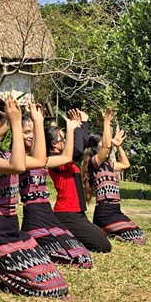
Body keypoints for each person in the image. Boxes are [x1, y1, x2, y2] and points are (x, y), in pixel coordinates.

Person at [0, 94, 69, 298]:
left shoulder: (1, 153)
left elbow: (40, 160)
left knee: (58, 284)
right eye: (5, 125)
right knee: (47, 289)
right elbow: (18, 166)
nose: (6, 131)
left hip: (13, 232)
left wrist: (38, 122)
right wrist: (16, 124)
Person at [20, 111, 94, 268]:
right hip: (35, 215)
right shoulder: (17, 159)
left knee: (84, 256)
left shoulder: (43, 160)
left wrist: (75, 127)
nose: (31, 136)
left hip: (47, 213)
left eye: (33, 132)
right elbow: (77, 151)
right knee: (78, 260)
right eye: (26, 132)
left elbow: (68, 156)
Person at [47, 109, 113, 254]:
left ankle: (66, 235)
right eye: (62, 139)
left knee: (102, 236)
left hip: (77, 212)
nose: (65, 141)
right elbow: (77, 150)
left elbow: (80, 145)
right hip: (66, 213)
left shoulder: (64, 158)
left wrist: (83, 123)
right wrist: (77, 127)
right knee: (104, 246)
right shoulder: (53, 161)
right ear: (53, 145)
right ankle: (64, 236)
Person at [85, 115, 147, 244]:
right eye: (101, 145)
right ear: (94, 147)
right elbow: (107, 146)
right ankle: (106, 230)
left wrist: (119, 146)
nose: (106, 147)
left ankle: (106, 231)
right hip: (104, 211)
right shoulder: (94, 163)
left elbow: (125, 164)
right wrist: (106, 122)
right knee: (136, 239)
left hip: (116, 209)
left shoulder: (109, 165)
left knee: (140, 236)